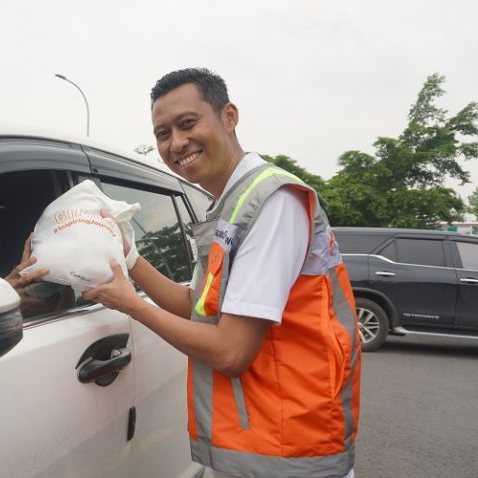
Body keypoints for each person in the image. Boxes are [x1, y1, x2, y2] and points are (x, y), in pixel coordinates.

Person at [84, 68, 361, 478]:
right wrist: (131, 260)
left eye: (187, 123)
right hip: (260, 442)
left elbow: (231, 352)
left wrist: (133, 307)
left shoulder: (271, 202)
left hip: (288, 451)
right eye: (163, 133)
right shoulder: (229, 205)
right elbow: (197, 307)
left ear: (229, 116)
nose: (177, 143)